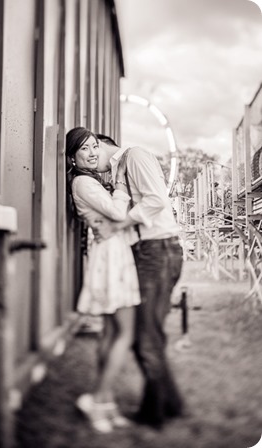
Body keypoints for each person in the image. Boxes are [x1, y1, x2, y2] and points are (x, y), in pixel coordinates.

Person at [93, 133, 184, 429]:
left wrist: (120, 222)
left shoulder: (134, 156)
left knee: (145, 338)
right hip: (149, 252)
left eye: (93, 150)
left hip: (157, 251)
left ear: (102, 143)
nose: (94, 163)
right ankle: (171, 403)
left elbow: (157, 199)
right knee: (148, 335)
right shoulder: (120, 170)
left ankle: (153, 412)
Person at [65, 127, 141, 433]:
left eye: (95, 146)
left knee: (111, 333)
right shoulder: (83, 181)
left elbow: (113, 218)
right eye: (84, 149)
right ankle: (96, 401)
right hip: (110, 257)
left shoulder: (92, 180)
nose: (93, 152)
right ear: (73, 157)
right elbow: (116, 212)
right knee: (126, 333)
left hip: (113, 251)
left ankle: (106, 403)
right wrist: (121, 184)